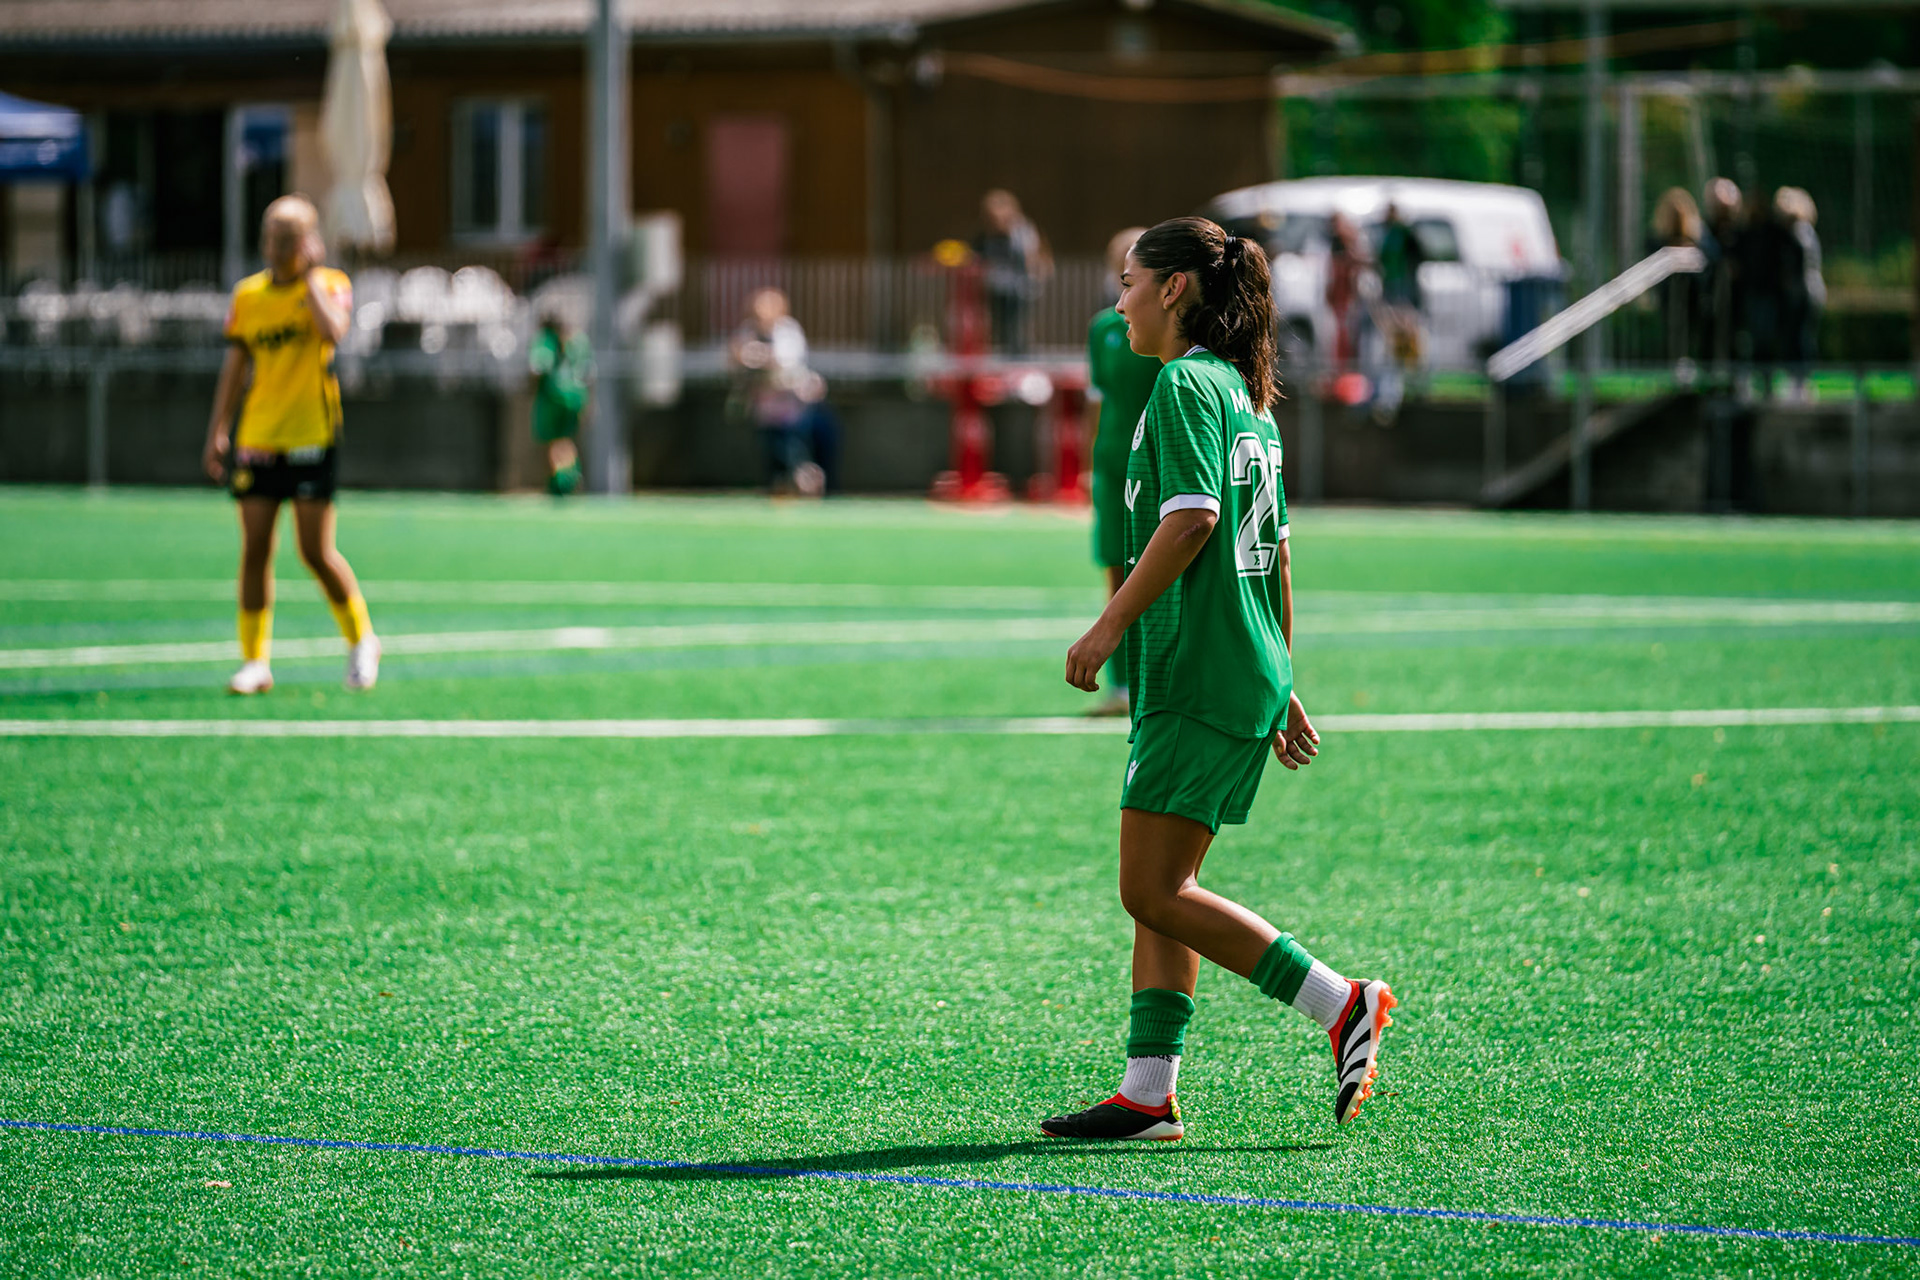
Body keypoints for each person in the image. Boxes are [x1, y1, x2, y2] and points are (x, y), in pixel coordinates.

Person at [1044, 216, 1395, 1142]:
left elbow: (1197, 518)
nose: (1117, 301)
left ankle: (1340, 1002)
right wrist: (1280, 671)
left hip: (1198, 668)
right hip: (1225, 668)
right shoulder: (1246, 393)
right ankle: (1148, 1093)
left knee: (1152, 890)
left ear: (1175, 289)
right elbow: (1275, 553)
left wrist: (1108, 624)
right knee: (1169, 882)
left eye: (1129, 281)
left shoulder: (1188, 384)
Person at [201, 195, 379, 695]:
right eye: (272, 239)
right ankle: (255, 661)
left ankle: (362, 638)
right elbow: (236, 367)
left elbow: (334, 332)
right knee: (255, 547)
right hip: (259, 436)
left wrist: (308, 280)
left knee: (314, 551)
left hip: (311, 435)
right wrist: (218, 428)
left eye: (288, 241)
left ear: (307, 244)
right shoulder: (248, 297)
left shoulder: (330, 286)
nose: (277, 249)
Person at [1083, 226, 1162, 718]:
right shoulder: (1104, 328)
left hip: (1158, 461)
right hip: (1113, 464)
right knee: (1116, 563)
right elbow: (1097, 400)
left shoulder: (1168, 330)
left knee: (1164, 568)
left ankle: (1165, 680)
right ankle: (1122, 685)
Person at [728, 288, 825, 496]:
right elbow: (736, 356)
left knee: (793, 453)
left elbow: (786, 363)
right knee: (772, 456)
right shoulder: (749, 331)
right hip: (764, 408)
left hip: (790, 408)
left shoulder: (787, 331)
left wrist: (760, 356)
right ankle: (779, 494)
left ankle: (808, 489)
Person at [972, 190, 1051, 355]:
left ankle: (1018, 352)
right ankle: (998, 352)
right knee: (995, 324)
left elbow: (1035, 257)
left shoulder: (1023, 232)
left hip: (1018, 288)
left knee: (1016, 325)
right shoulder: (986, 234)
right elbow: (979, 256)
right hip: (993, 287)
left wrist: (1035, 277)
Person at [528, 308, 591, 495]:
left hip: (554, 395)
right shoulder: (580, 340)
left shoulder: (547, 338)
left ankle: (563, 481)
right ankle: (569, 474)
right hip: (576, 397)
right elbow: (587, 371)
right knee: (565, 439)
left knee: (555, 442)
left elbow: (539, 365)